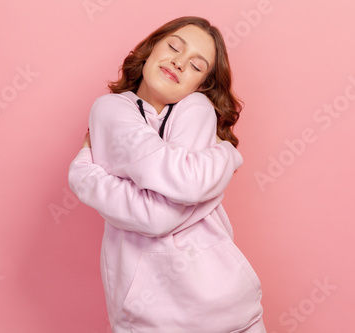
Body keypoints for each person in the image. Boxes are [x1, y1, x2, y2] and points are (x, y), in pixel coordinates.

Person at [68, 16, 266, 333]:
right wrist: (83, 175)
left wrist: (85, 175)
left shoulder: (196, 108)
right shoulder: (111, 109)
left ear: (201, 84)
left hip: (232, 314)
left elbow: (177, 190)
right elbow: (159, 215)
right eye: (174, 46)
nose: (178, 62)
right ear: (151, 48)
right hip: (150, 320)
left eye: (197, 66)